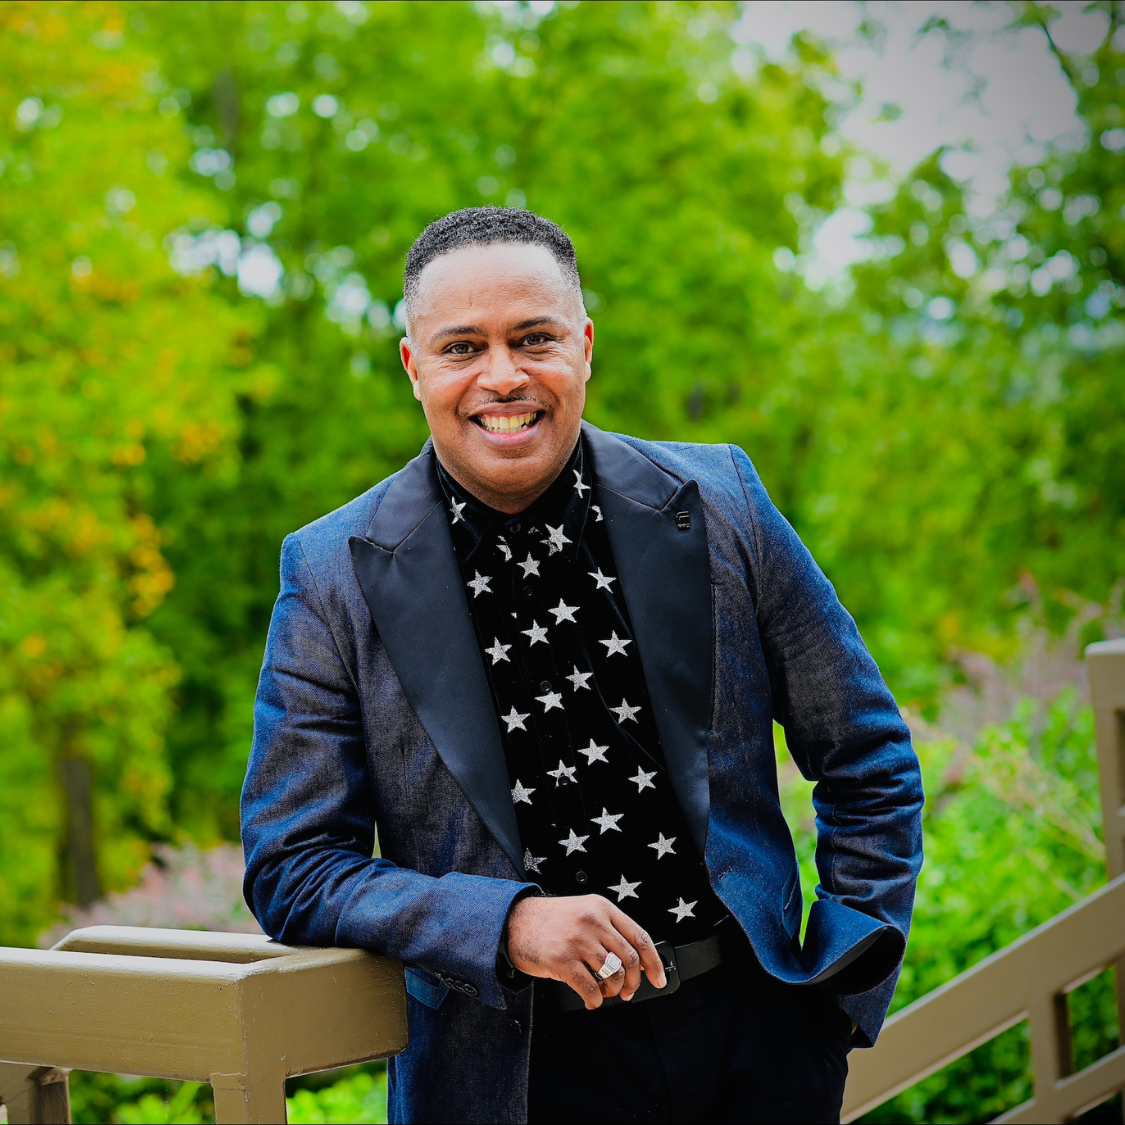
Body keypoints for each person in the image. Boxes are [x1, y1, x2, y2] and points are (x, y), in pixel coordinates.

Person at [241, 207, 924, 1124]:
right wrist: (505, 920)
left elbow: (868, 758)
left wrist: (829, 1006)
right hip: (508, 1084)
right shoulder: (329, 573)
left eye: (534, 338)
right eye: (461, 347)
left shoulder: (723, 501)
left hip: (754, 1050)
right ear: (414, 366)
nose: (502, 376)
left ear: (585, 345)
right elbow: (292, 865)